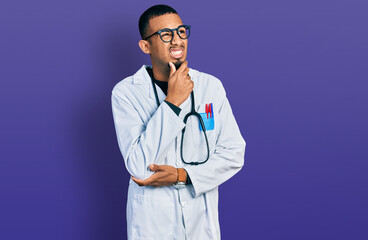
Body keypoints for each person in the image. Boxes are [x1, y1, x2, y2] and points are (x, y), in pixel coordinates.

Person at [111, 4, 246, 240]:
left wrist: (182, 175)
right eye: (166, 34)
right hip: (153, 225)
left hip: (200, 222)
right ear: (145, 46)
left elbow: (233, 153)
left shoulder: (210, 87)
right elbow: (139, 167)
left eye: (181, 31)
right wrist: (172, 102)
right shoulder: (126, 93)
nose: (177, 40)